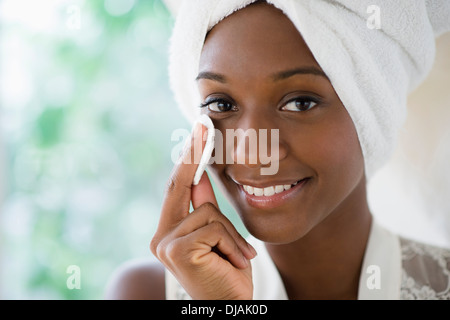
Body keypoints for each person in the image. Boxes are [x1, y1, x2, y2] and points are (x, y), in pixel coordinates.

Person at [104, 0, 450, 300]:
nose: (252, 154)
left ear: (372, 113)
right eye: (221, 105)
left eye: (300, 103)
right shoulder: (144, 292)